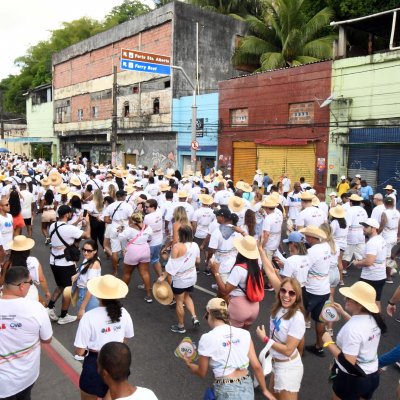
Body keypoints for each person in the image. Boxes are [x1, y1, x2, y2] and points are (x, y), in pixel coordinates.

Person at [184, 297, 276, 400]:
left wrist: (189, 364)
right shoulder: (244, 334)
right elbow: (257, 367)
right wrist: (265, 390)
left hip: (226, 389)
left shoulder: (207, 338)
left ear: (209, 313)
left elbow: (202, 372)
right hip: (246, 385)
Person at [322, 281, 386, 400]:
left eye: (350, 297)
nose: (345, 298)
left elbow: (348, 362)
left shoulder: (352, 329)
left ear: (360, 304)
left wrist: (328, 342)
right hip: (372, 376)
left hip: (352, 380)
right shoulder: (374, 319)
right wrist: (343, 312)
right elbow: (361, 331)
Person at [74, 274, 134, 400]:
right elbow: (126, 339)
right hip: (117, 362)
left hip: (94, 362)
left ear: (97, 295)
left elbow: (79, 351)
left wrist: (84, 353)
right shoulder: (125, 313)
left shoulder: (89, 317)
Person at [258, 245, 306, 399]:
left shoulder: (297, 317)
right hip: (277, 363)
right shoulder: (281, 302)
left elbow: (287, 350)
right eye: (283, 291)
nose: (286, 295)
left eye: (292, 293)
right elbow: (270, 271)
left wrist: (265, 339)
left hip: (288, 368)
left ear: (297, 297)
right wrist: (260, 250)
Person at [0, 266, 53, 400]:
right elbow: (47, 339)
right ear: (22, 286)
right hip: (27, 377)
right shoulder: (36, 308)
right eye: (30, 283)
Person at [47, 205, 90, 324]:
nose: (71, 215)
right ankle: (63, 316)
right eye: (70, 213)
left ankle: (50, 307)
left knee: (60, 285)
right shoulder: (68, 229)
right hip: (65, 263)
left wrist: (78, 221)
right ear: (66, 214)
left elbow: (67, 229)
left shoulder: (53, 225)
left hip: (54, 261)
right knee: (68, 289)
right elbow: (87, 235)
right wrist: (88, 222)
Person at [211, 235, 263, 329]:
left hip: (239, 307)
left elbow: (225, 290)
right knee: (243, 337)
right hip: (255, 307)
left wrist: (216, 272)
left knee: (232, 338)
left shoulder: (239, 269)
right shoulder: (257, 266)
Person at [158, 225, 200, 333]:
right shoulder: (195, 245)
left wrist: (163, 276)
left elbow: (171, 265)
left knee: (179, 302)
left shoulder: (177, 246)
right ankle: (194, 317)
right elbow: (198, 261)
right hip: (191, 276)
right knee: (187, 296)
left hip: (180, 280)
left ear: (180, 234)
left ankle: (181, 326)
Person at [299, 225, 331, 357]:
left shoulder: (312, 252)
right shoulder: (327, 247)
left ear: (312, 237)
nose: (306, 238)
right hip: (324, 289)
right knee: (320, 320)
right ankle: (319, 347)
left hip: (311, 290)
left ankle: (298, 350)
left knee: (299, 319)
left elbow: (303, 268)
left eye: (307, 236)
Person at [1, 235, 51, 302]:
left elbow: (2, 281)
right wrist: (47, 292)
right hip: (29, 294)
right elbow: (41, 279)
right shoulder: (33, 261)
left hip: (11, 295)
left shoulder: (8, 263)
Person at [117, 212, 153, 303]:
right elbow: (150, 238)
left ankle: (122, 293)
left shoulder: (129, 229)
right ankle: (149, 295)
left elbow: (121, 238)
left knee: (127, 273)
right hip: (145, 249)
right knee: (145, 273)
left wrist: (120, 231)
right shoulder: (148, 227)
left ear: (133, 220)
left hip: (133, 250)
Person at [354, 218, 387, 310]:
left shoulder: (372, 243)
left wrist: (358, 263)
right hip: (380, 276)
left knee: (361, 302)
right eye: (363, 226)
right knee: (376, 301)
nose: (363, 228)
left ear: (373, 228)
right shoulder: (381, 239)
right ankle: (378, 322)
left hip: (370, 277)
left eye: (366, 226)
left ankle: (366, 321)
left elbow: (369, 262)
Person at [72, 239, 101, 319]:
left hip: (88, 297)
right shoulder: (88, 258)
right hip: (83, 294)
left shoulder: (93, 265)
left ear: (95, 251)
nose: (85, 252)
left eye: (89, 251)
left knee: (86, 323)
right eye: (84, 250)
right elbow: (84, 268)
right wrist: (77, 275)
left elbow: (90, 288)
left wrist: (82, 308)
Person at [379, 196, 400, 284]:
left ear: (385, 204)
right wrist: (398, 235)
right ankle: (391, 270)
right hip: (394, 235)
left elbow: (382, 225)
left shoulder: (385, 213)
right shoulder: (397, 212)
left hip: (387, 236)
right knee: (389, 254)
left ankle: (389, 276)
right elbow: (399, 225)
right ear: (393, 203)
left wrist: (376, 233)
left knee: (387, 257)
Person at [144, 199, 163, 277]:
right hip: (159, 241)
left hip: (151, 243)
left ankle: (146, 284)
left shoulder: (147, 217)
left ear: (153, 207)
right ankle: (161, 278)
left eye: (147, 207)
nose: (145, 208)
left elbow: (144, 230)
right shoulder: (159, 213)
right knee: (156, 260)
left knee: (145, 264)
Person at [329, 205, 348, 286]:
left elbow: (330, 233)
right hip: (343, 243)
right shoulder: (345, 222)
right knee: (339, 260)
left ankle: (340, 279)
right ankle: (340, 279)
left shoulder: (334, 222)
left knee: (337, 261)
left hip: (336, 244)